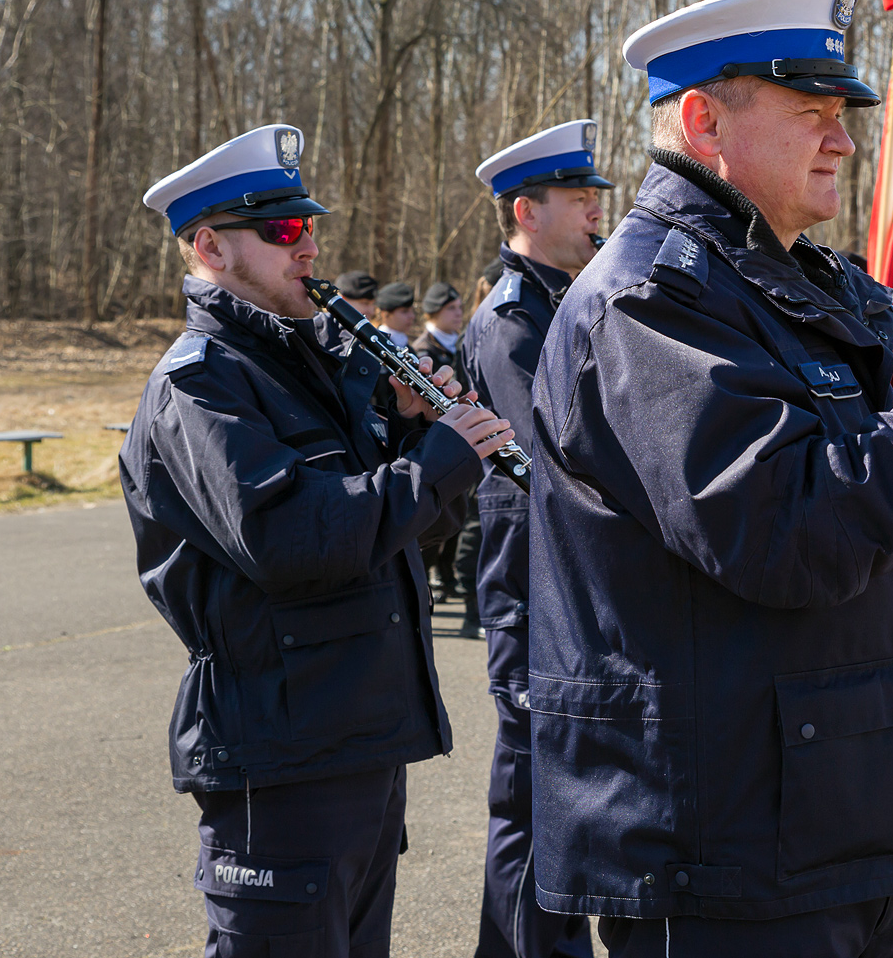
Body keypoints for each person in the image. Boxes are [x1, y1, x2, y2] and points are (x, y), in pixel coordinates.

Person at [528, 0, 893, 955]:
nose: (844, 138)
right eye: (811, 112)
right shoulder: (655, 300)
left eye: (845, 112)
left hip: (821, 819)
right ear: (704, 122)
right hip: (728, 846)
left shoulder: (794, 282)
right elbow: (785, 524)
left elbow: (873, 495)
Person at [121, 124, 510, 958]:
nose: (310, 247)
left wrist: (419, 443)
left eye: (310, 227)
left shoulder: (311, 364)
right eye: (284, 230)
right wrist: (439, 459)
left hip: (357, 739)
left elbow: (396, 539)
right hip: (280, 751)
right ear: (211, 246)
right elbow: (294, 540)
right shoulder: (200, 383)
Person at [459, 118, 613, 958]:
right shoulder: (513, 319)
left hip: (567, 584)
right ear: (527, 210)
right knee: (530, 797)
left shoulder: (571, 299)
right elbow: (544, 457)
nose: (597, 211)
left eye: (596, 197)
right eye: (580, 197)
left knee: (563, 792)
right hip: (532, 589)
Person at [413, 282, 472, 604]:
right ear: (434, 311)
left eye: (461, 308)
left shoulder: (455, 345)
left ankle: (445, 577)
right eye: (452, 308)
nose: (458, 314)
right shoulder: (425, 349)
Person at [373, 282, 418, 349]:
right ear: (385, 314)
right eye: (404, 311)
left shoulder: (407, 346)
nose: (412, 316)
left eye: (412, 311)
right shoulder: (376, 343)